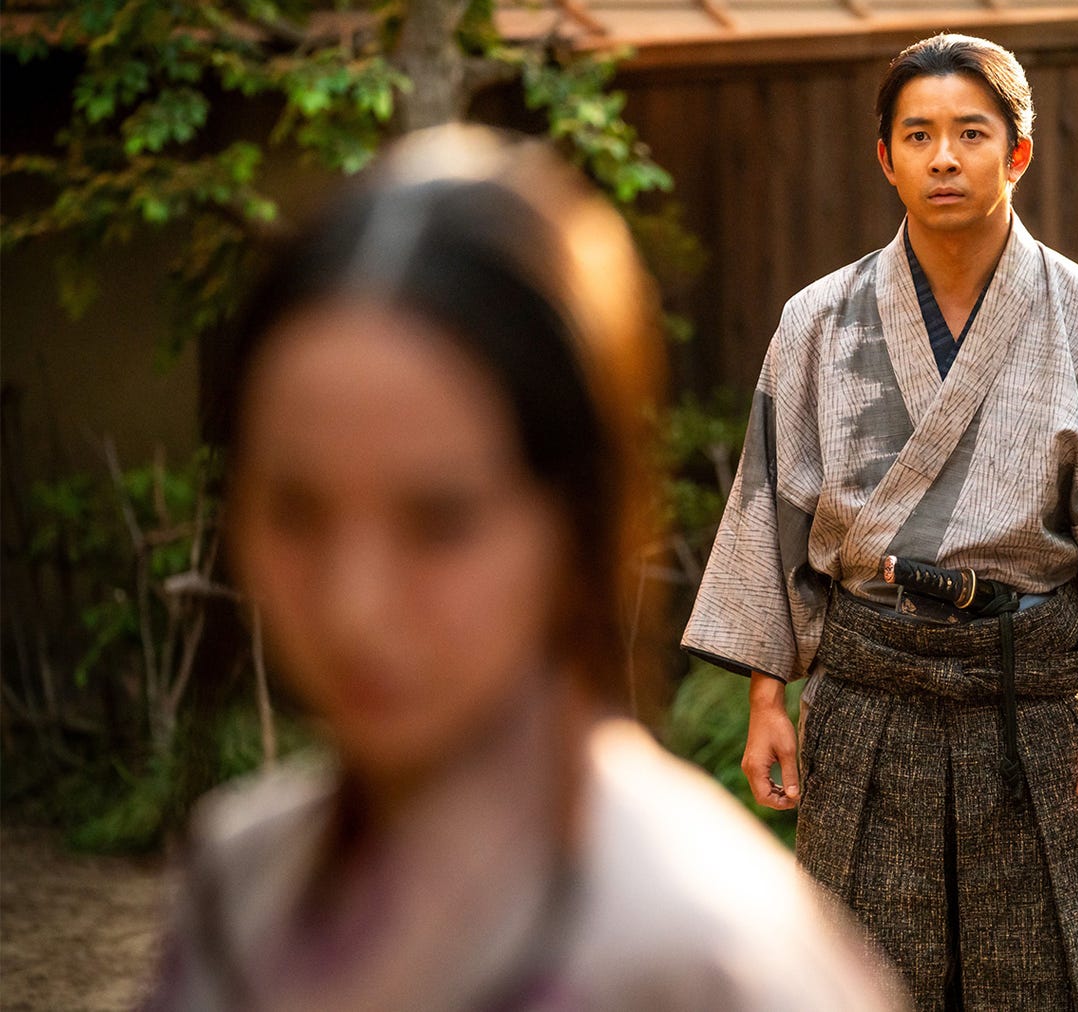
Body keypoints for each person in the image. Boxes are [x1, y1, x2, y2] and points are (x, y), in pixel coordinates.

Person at [146, 125, 905, 1011]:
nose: (355, 606)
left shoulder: (708, 950)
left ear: (583, 517)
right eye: (295, 512)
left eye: (440, 522)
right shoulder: (239, 877)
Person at [683, 33, 1078, 1012]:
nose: (944, 159)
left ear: (1018, 152)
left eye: (971, 133)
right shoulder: (817, 323)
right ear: (884, 158)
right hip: (869, 696)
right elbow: (772, 510)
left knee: (1054, 984)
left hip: (1033, 703)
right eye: (918, 135)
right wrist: (766, 699)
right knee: (857, 986)